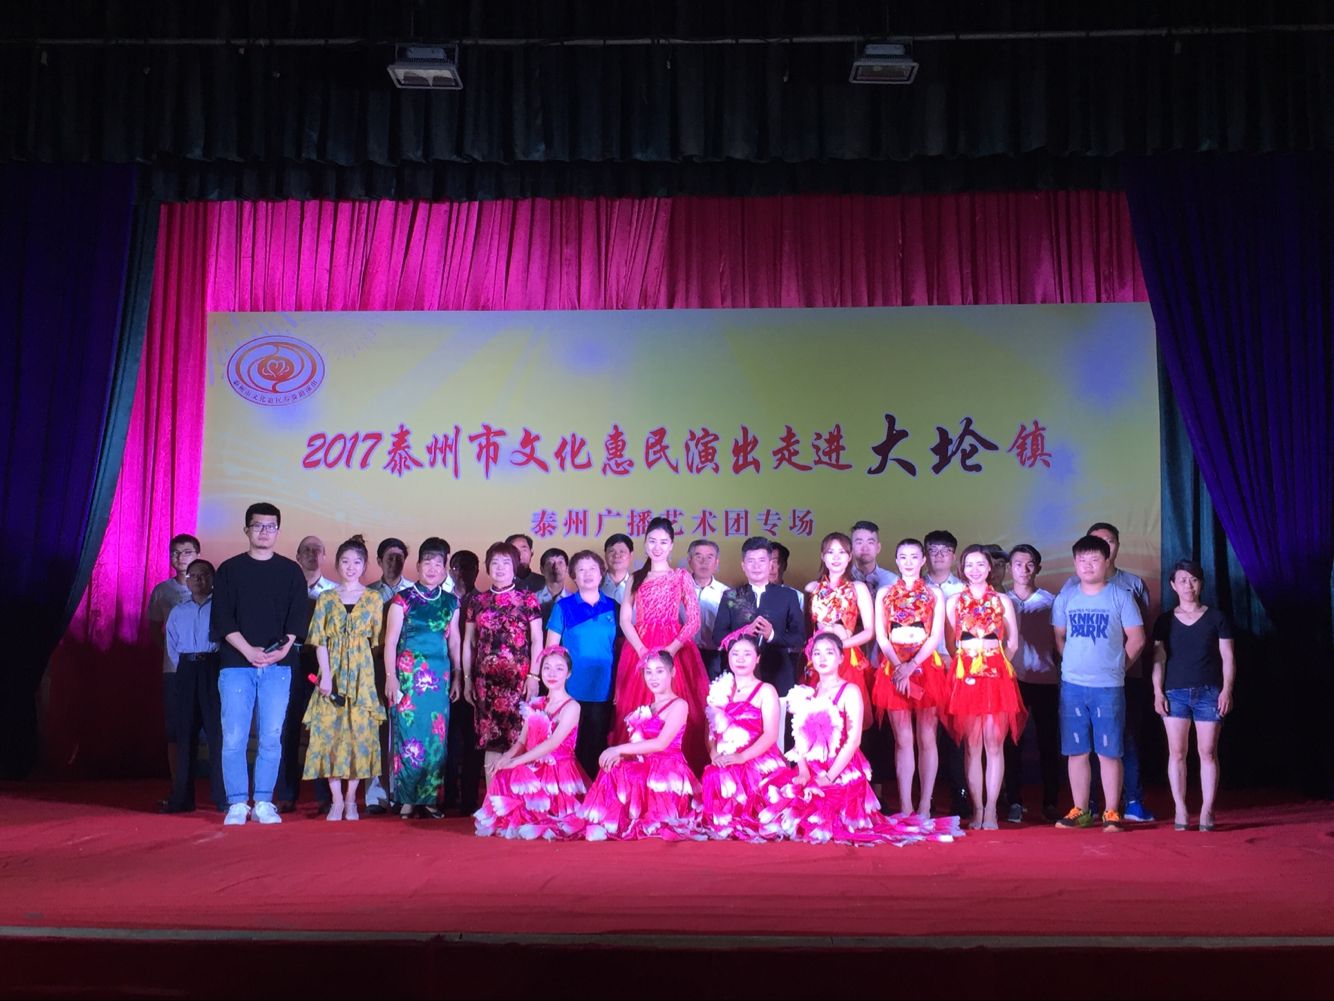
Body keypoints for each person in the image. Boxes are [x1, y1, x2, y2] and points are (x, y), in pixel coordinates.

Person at [772, 633, 959, 846]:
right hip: (812, 768)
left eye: (829, 653)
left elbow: (853, 741)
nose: (822, 658)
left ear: (841, 658)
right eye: (817, 653)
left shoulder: (849, 691)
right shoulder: (806, 693)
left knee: (831, 820)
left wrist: (829, 777)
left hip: (841, 770)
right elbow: (799, 739)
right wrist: (804, 771)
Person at [210, 502, 308, 826]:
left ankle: (264, 800)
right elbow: (222, 618)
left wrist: (283, 649)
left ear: (278, 531)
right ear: (246, 529)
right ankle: (238, 802)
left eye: (270, 526)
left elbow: (297, 618)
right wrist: (248, 650)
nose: (264, 532)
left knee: (271, 735)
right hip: (236, 664)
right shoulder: (229, 570)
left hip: (278, 666)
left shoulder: (291, 571)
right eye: (258, 526)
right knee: (234, 736)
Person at [1058, 522, 1155, 822]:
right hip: (1072, 685)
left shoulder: (1121, 595)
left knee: (1110, 751)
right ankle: (1081, 810)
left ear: (1107, 559)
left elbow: (1137, 638)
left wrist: (1117, 668)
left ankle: (1112, 810)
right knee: (1076, 751)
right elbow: (1060, 638)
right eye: (1082, 560)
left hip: (1109, 687)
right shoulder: (1066, 596)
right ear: (1075, 563)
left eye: (1094, 559)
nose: (1088, 565)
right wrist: (1073, 664)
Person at [611, 518, 711, 772]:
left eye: (663, 542)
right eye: (652, 541)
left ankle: (676, 773)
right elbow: (625, 620)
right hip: (640, 647)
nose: (657, 547)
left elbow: (694, 620)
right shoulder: (636, 578)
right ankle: (636, 773)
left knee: (684, 709)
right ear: (645, 544)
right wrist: (642, 651)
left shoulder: (680, 576)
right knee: (635, 710)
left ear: (671, 546)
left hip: (674, 647)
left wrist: (671, 650)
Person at [302, 535, 385, 821]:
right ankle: (336, 800)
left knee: (359, 736)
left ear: (364, 566)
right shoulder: (326, 598)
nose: (351, 567)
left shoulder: (374, 599)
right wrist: (326, 676)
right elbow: (319, 640)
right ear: (337, 564)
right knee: (329, 735)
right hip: (332, 673)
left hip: (362, 677)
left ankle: (351, 800)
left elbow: (377, 642)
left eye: (357, 562)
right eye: (345, 561)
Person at [578, 650, 702, 841]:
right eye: (648, 672)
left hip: (667, 769)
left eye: (659, 671)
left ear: (672, 672)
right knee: (614, 767)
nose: (653, 677)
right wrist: (621, 755)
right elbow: (639, 746)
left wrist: (618, 749)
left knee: (627, 771)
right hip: (645, 764)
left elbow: (661, 744)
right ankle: (607, 821)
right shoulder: (647, 708)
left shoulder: (679, 705)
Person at [945, 545, 1026, 831]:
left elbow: (1012, 642)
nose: (975, 569)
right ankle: (977, 809)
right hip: (966, 675)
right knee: (972, 745)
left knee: (994, 743)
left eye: (981, 564)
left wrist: (997, 665)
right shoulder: (954, 601)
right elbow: (950, 644)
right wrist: (968, 664)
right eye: (970, 564)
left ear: (990, 568)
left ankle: (991, 808)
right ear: (962, 568)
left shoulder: (1002, 600)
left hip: (996, 676)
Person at [1152, 560, 1236, 831]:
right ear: (1173, 585)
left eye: (1194, 580)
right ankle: (1180, 808)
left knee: (1207, 751)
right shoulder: (1164, 621)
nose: (1188, 585)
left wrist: (1227, 689)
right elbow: (1159, 659)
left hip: (1209, 693)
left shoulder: (1217, 618)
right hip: (1174, 692)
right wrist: (1157, 691)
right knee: (1177, 752)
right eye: (1183, 580)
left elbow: (1228, 657)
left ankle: (1207, 809)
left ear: (1201, 584)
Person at [474, 646, 589, 839]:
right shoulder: (535, 703)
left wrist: (517, 762)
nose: (552, 674)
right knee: (503, 773)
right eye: (547, 668)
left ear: (568, 674)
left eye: (559, 668)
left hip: (557, 771)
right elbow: (521, 741)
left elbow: (552, 744)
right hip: (533, 763)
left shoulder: (572, 707)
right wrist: (507, 757)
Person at [383, 537, 461, 819]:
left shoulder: (451, 602)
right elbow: (390, 641)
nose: (432, 569)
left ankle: (429, 799)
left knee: (435, 739)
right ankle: (406, 799)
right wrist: (390, 677)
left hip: (439, 680)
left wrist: (458, 677)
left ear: (444, 570)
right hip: (407, 678)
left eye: (438, 564)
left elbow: (454, 642)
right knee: (408, 738)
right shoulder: (402, 599)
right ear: (417, 566)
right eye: (427, 563)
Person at [872, 538, 949, 818]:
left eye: (914, 556)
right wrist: (899, 666)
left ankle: (925, 804)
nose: (908, 562)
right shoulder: (884, 592)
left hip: (926, 667)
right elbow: (882, 635)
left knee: (927, 737)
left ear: (923, 560)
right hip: (893, 667)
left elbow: (935, 635)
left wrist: (913, 664)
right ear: (896, 560)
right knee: (902, 739)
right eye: (903, 556)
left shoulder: (934, 593)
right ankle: (905, 805)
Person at [462, 542, 543, 785]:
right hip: (486, 684)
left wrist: (534, 677)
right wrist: (467, 680)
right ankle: (492, 800)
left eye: (506, 562)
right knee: (491, 740)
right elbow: (469, 643)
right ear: (487, 567)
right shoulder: (477, 601)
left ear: (515, 567)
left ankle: (517, 799)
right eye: (495, 562)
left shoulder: (527, 599)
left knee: (519, 739)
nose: (500, 568)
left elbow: (537, 640)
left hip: (519, 682)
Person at [699, 633, 791, 841]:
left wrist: (742, 757)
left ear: (757, 659)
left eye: (747, 654)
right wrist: (713, 753)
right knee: (714, 776)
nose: (740, 659)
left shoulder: (766, 690)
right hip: (726, 756)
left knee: (749, 785)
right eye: (735, 654)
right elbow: (710, 729)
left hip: (758, 756)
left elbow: (771, 734)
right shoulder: (719, 689)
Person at [276, 535, 337, 813]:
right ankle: (287, 793)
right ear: (298, 556)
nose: (312, 555)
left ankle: (324, 796)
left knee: (322, 728)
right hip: (290, 659)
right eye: (307, 550)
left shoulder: (334, 592)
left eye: (317, 550)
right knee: (288, 727)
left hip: (322, 662)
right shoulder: (285, 587)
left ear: (324, 556)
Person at [546, 551, 619, 779]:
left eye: (592, 569)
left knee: (597, 746)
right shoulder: (563, 607)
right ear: (573, 576)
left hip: (603, 689)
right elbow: (551, 650)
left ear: (601, 574)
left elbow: (620, 650)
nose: (587, 574)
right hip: (571, 691)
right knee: (571, 748)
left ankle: (595, 795)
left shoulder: (614, 607)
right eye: (581, 570)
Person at [161, 558, 226, 814]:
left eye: (204, 575)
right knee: (185, 735)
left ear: (213, 579)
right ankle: (182, 799)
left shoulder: (221, 608)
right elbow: (172, 646)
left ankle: (223, 798)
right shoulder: (179, 611)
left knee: (217, 735)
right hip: (187, 671)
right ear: (187, 581)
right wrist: (185, 669)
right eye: (194, 575)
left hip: (213, 669)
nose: (199, 580)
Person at [1003, 544, 1061, 823]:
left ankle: (1050, 802)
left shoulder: (1051, 602)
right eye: (1018, 564)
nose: (1024, 570)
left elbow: (1060, 642)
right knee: (1011, 743)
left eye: (1029, 564)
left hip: (1045, 679)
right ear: (1009, 568)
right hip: (1011, 681)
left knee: (1048, 743)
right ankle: (1014, 801)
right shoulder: (1001, 601)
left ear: (1038, 568)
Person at [712, 537, 806, 697]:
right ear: (743, 565)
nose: (756, 566)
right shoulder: (731, 596)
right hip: (738, 675)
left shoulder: (788, 596)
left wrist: (772, 635)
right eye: (751, 561)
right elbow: (717, 637)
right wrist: (743, 634)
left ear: (770, 565)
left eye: (762, 560)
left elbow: (799, 637)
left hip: (778, 673)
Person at [803, 532, 875, 718]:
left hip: (845, 655)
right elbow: (807, 630)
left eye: (841, 552)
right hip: (818, 657)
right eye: (830, 552)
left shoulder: (858, 588)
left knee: (846, 713)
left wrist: (840, 646)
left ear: (849, 557)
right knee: (817, 714)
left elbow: (869, 631)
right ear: (822, 556)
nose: (836, 557)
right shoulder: (812, 588)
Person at [148, 533, 200, 791]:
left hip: (204, 667)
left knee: (206, 726)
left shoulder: (211, 589)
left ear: (197, 555)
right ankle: (178, 785)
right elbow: (154, 627)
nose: (181, 557)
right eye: (175, 553)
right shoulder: (163, 590)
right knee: (174, 729)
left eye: (187, 552)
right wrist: (169, 651)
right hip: (174, 668)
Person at [924, 528, 968, 818]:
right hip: (923, 670)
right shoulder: (914, 587)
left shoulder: (964, 590)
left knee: (956, 735)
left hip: (955, 669)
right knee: (924, 736)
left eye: (945, 551)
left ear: (954, 556)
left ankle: (959, 794)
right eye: (933, 550)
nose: (939, 555)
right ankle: (924, 799)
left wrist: (956, 659)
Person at [366, 536, 411, 815]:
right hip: (374, 666)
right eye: (389, 557)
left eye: (399, 558)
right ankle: (376, 794)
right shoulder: (368, 593)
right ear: (379, 561)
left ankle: (399, 791)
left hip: (405, 669)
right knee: (376, 728)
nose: (394, 562)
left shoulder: (413, 592)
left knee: (403, 730)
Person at [443, 549, 481, 814]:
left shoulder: (483, 601)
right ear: (450, 570)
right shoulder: (442, 600)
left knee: (473, 741)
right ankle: (447, 796)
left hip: (476, 680)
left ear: (477, 570)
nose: (463, 573)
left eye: (469, 567)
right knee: (448, 742)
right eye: (457, 567)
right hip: (443, 678)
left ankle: (469, 798)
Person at [687, 539, 729, 680]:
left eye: (709, 557)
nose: (704, 562)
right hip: (683, 654)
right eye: (698, 557)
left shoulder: (726, 593)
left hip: (714, 657)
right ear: (690, 561)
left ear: (716, 562)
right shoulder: (678, 590)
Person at [536, 547, 571, 626]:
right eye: (550, 563)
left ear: (567, 569)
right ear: (542, 569)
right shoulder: (533, 600)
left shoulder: (574, 600)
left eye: (560, 562)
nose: (555, 567)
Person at [600, 533, 634, 605]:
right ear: (605, 555)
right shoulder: (595, 583)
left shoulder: (638, 585)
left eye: (622, 552)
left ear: (631, 555)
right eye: (611, 551)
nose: (616, 555)